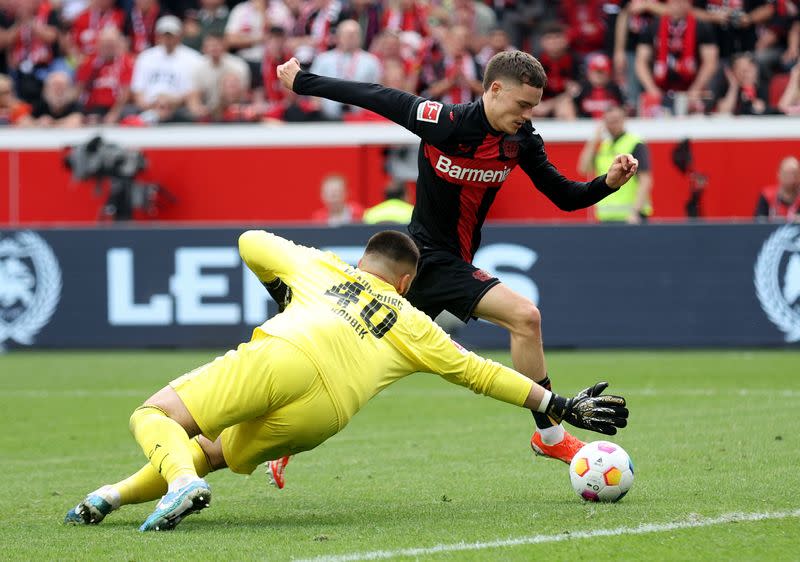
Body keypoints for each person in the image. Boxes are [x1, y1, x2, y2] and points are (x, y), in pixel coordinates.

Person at [64, 229, 629, 531]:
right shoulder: (411, 321)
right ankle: (107, 498)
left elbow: (250, 241)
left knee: (155, 416)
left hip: (286, 353)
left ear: (364, 259)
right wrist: (557, 402)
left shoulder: (321, 266)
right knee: (207, 453)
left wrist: (282, 289)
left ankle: (181, 486)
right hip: (323, 417)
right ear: (406, 281)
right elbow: (479, 373)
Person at [266, 50, 638, 488]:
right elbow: (377, 95)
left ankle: (550, 436)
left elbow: (563, 195)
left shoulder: (521, 141)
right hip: (417, 263)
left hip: (450, 265)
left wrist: (607, 184)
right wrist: (304, 83)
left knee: (521, 319)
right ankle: (279, 437)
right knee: (346, 361)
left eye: (534, 106)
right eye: (522, 105)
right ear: (494, 90)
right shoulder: (445, 122)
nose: (528, 114)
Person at [577, 105, 653, 223]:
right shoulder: (604, 146)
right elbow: (583, 168)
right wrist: (594, 140)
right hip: (606, 218)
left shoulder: (635, 143)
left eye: (616, 120)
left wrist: (635, 212)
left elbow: (645, 180)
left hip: (631, 218)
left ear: (624, 120)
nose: (613, 125)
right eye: (609, 121)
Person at [754, 156, 800, 221]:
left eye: (795, 174)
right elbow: (758, 223)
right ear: (779, 174)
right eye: (787, 174)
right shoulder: (767, 195)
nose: (791, 178)